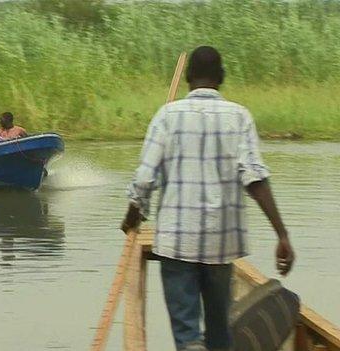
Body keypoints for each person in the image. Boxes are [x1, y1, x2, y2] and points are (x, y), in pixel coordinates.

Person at [120, 46, 295, 351]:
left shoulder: (167, 116)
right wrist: (281, 234)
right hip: (220, 244)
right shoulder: (239, 117)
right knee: (219, 334)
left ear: (188, 78)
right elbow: (255, 178)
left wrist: (134, 214)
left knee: (187, 335)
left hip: (176, 242)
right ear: (222, 77)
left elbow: (146, 178)